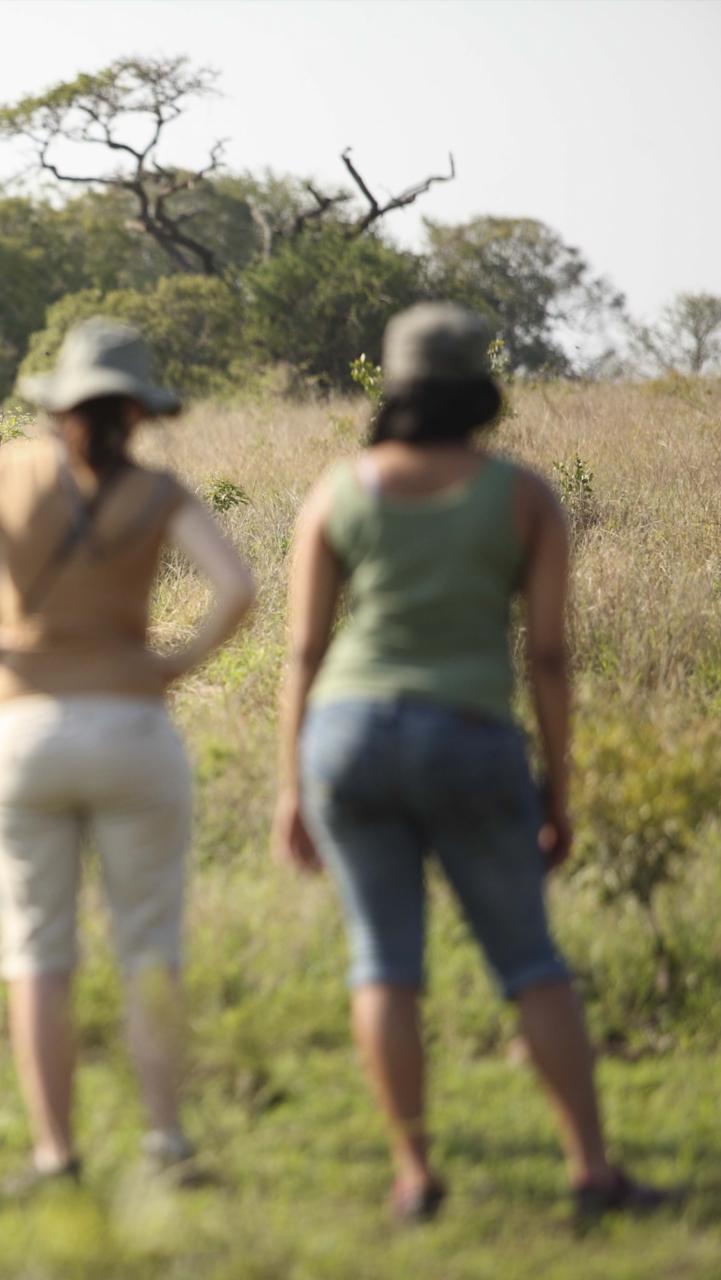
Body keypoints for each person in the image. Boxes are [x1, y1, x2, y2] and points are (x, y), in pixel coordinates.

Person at [273, 302, 673, 1223]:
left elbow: (302, 650)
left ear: (395, 387)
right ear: (481, 394)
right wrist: (558, 787)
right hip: (469, 735)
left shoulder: (337, 490)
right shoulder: (524, 494)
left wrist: (293, 782)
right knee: (529, 959)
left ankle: (414, 1176)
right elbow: (548, 658)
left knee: (383, 961)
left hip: (348, 734)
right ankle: (591, 1171)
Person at [0, 320, 254, 1188]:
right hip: (132, 729)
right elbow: (235, 588)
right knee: (148, 944)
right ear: (138, 411)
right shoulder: (160, 491)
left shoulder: (9, 471)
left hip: (23, 734)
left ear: (58, 404)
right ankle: (165, 1142)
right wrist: (177, 662)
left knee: (36, 951)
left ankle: (55, 1153)